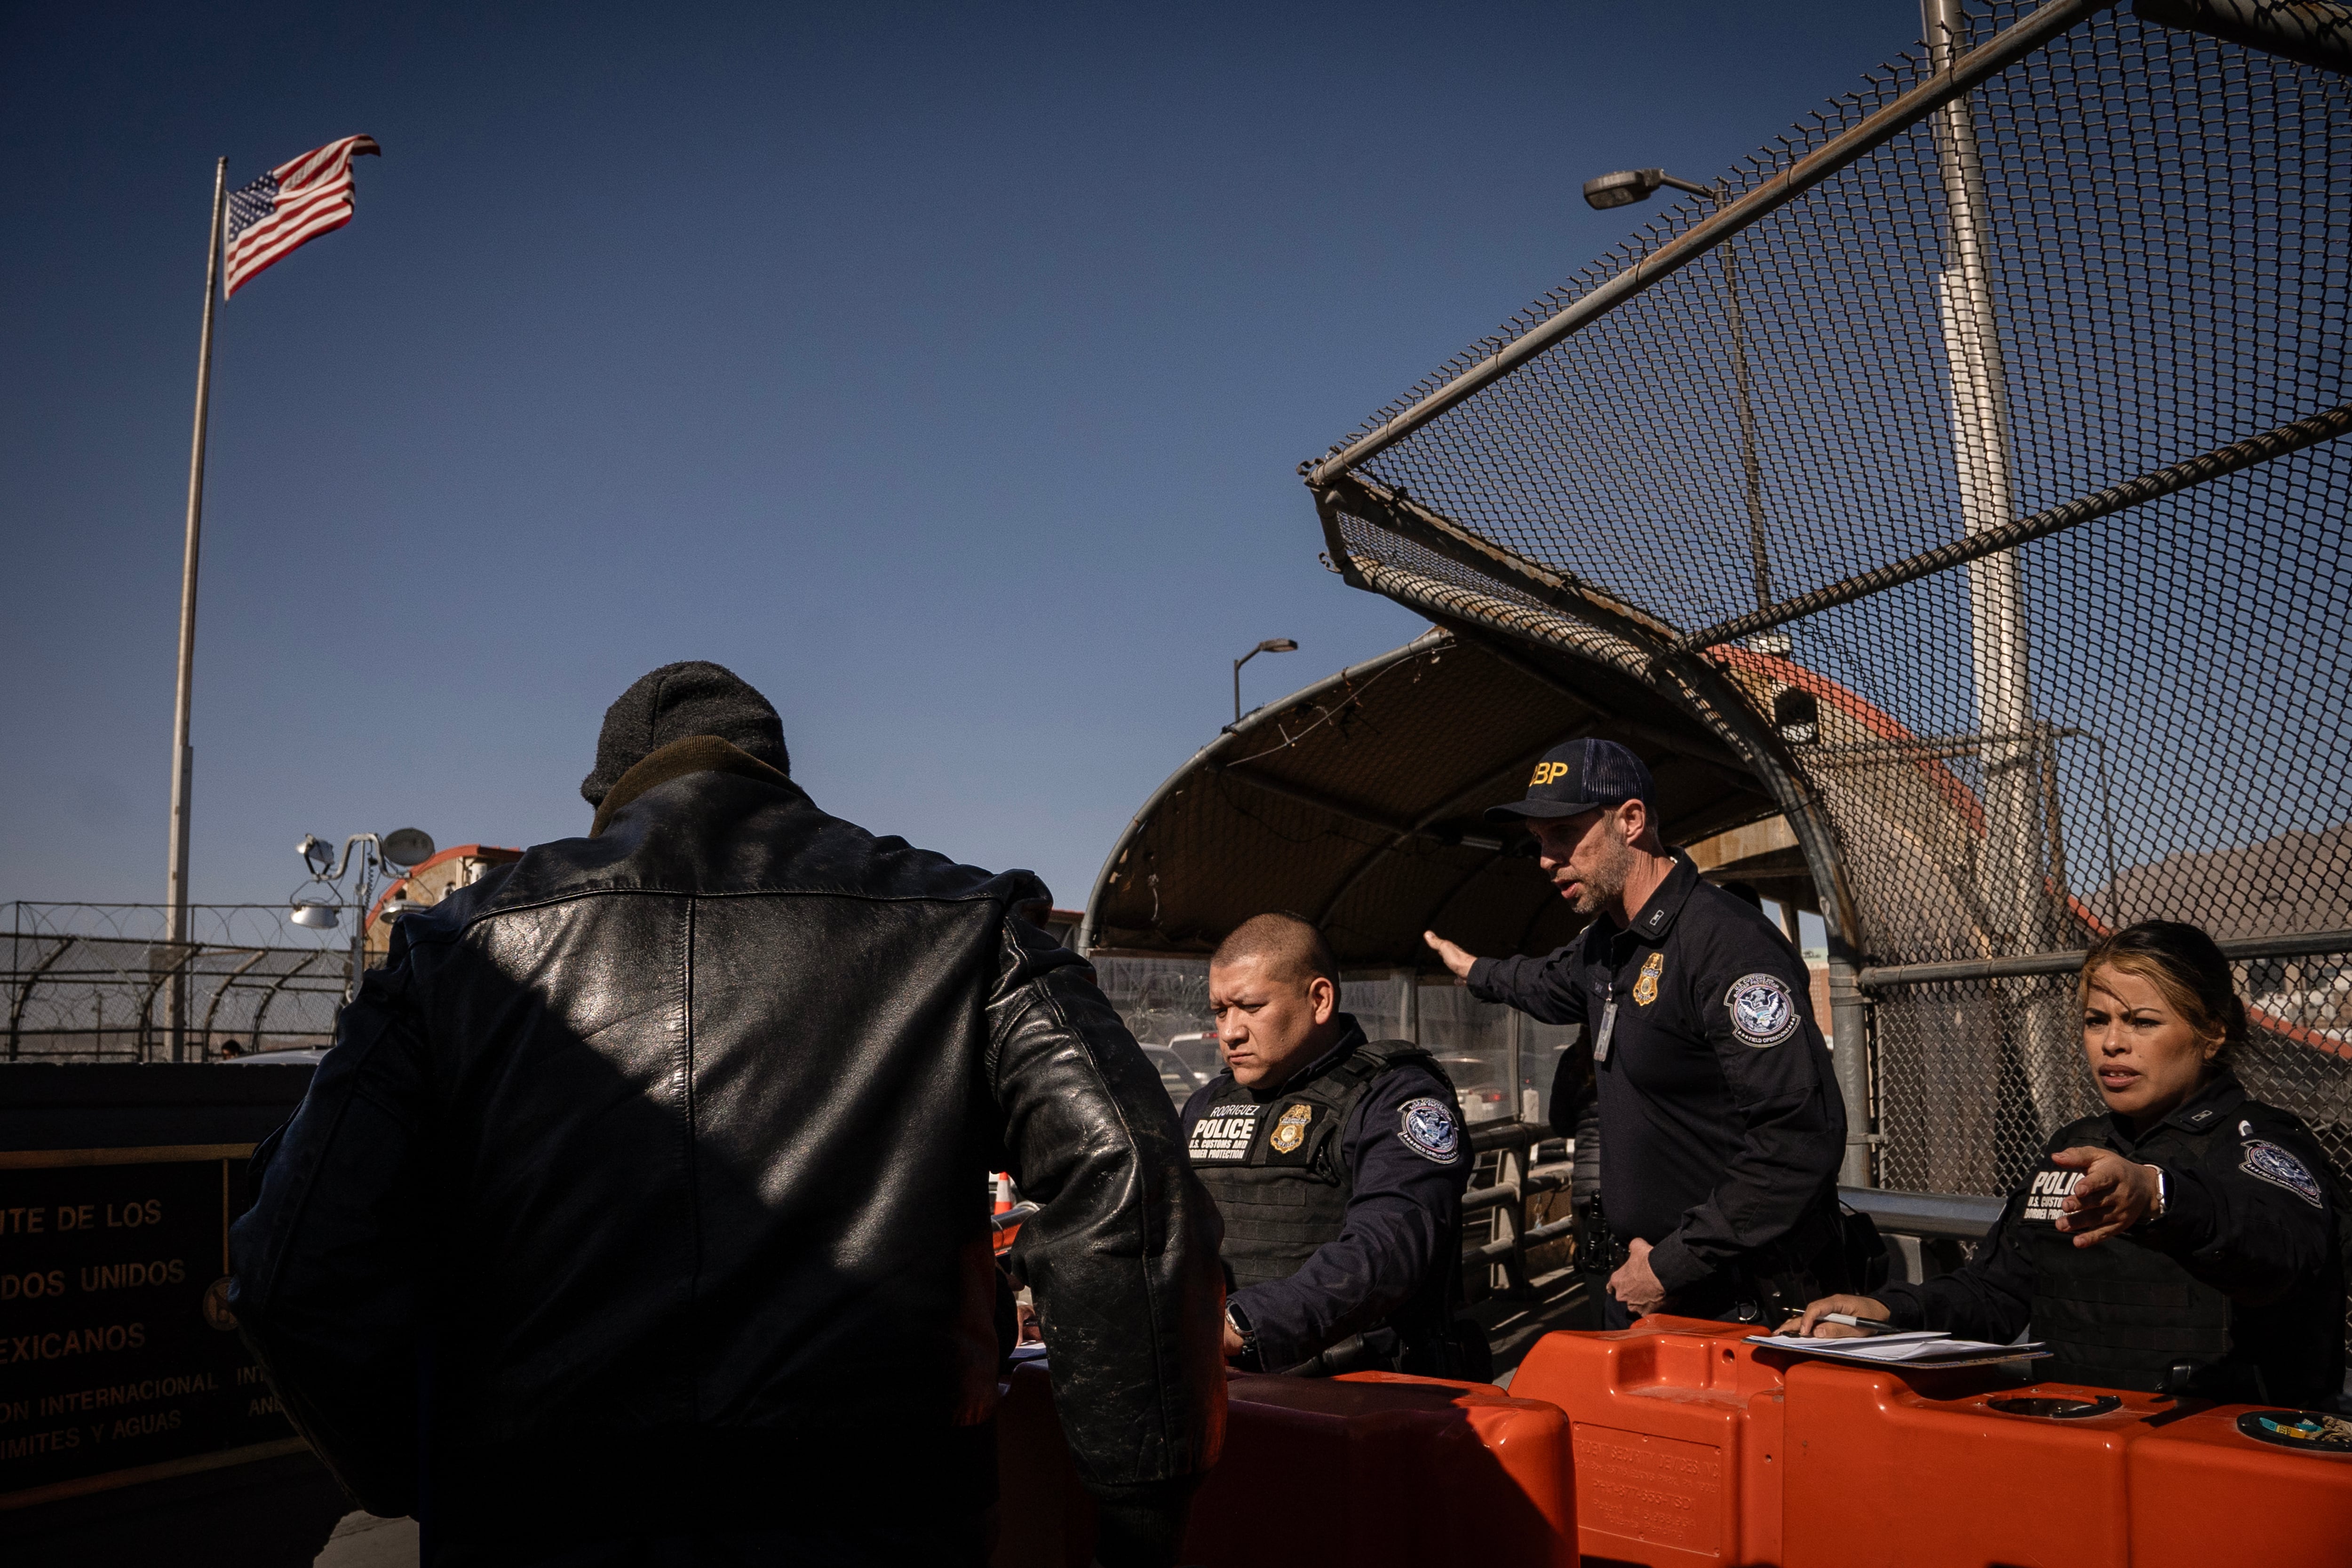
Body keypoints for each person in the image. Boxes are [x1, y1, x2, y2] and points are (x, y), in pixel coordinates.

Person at [229, 661, 1226, 1567]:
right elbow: (1130, 1194)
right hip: (886, 1524)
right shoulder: (964, 922)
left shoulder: (460, 948)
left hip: (542, 1525)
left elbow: (288, 1271)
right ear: (775, 774)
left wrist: (412, 1476)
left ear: (606, 798)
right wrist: (1139, 1522)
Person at [1783, 921, 2345, 1407]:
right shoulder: (2075, 1147)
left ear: (2212, 1032)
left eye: (2142, 1022)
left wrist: (2158, 1199)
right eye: (2095, 1020)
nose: (2112, 1044)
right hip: (2076, 1440)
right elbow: (1998, 1294)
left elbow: (2279, 1252)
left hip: (2221, 1453)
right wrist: (1881, 1313)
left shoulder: (2260, 1144)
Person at [1423, 737, 1848, 1328]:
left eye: (1564, 834)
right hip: (1647, 1288)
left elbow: (1798, 1137)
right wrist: (1474, 971)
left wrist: (1674, 1264)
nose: (1546, 859)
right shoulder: (1606, 947)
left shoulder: (1726, 945)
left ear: (1630, 821)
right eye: (1538, 842)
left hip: (1739, 1300)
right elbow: (1544, 983)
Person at [1179, 913, 1479, 1377]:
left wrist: (1243, 1325)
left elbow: (1391, 1245)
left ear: (1319, 1000)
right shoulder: (1205, 1104)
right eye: (1220, 1011)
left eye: (1251, 1007)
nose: (1229, 1031)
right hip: (1224, 1386)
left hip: (1362, 1396)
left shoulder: (1395, 1096)